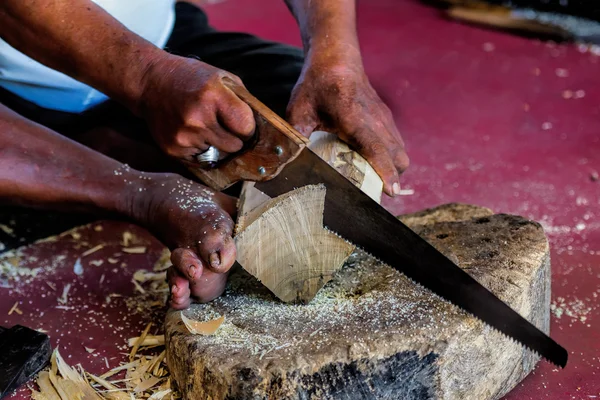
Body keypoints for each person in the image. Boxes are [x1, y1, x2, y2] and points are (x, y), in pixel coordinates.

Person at [0, 0, 409, 309]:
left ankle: (129, 155)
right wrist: (144, 81)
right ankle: (126, 181)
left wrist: (336, 58)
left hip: (160, 41)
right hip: (18, 95)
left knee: (320, 121)